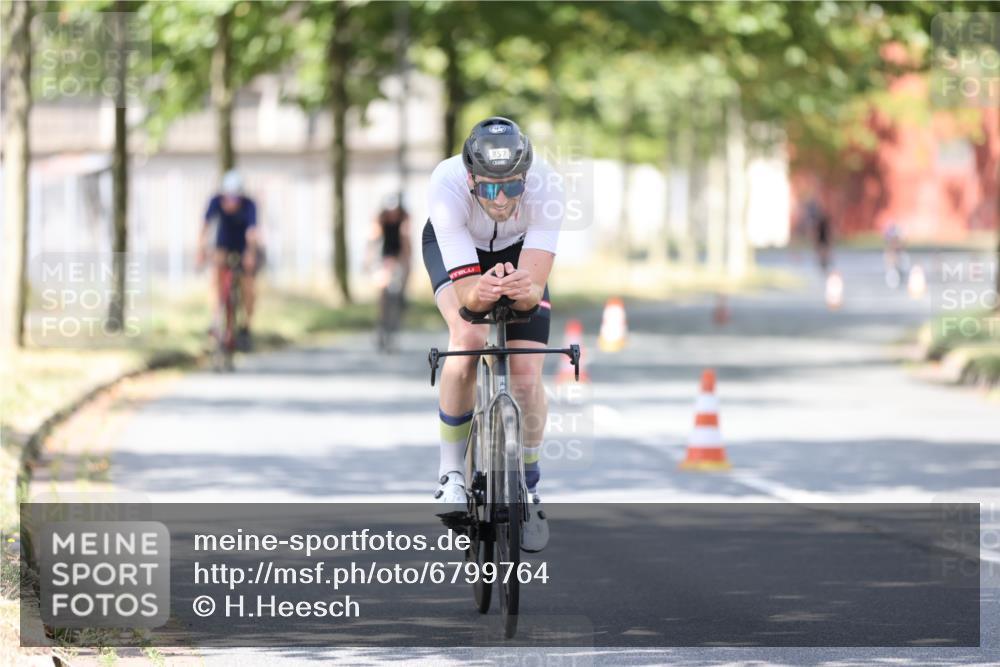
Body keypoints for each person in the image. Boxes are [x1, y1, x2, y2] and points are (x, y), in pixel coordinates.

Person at [423, 116, 562, 553]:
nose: (500, 199)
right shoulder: (446, 187)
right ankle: (452, 476)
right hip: (457, 245)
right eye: (487, 187)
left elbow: (532, 291)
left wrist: (521, 292)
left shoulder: (547, 186)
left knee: (524, 374)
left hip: (519, 249)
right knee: (467, 340)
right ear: (470, 178)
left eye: (512, 187)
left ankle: (531, 488)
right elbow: (468, 296)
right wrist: (482, 292)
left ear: (526, 178)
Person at [196, 169, 258, 351]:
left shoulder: (249, 205)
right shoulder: (215, 201)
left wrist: (250, 254)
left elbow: (253, 233)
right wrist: (200, 250)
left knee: (248, 285)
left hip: (243, 245)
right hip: (223, 244)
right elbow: (204, 227)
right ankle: (215, 318)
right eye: (227, 198)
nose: (231, 203)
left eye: (235, 199)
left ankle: (246, 326)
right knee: (216, 276)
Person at [367, 194, 412, 352]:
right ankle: (381, 327)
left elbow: (406, 241)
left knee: (399, 293)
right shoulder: (380, 219)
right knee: (383, 292)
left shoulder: (404, 218)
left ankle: (394, 330)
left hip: (398, 257)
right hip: (383, 257)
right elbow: (374, 240)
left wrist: (406, 264)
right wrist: (369, 261)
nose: (392, 215)